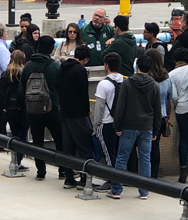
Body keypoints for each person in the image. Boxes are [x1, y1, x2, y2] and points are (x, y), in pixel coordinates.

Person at [107, 56, 162, 200]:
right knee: (145, 158)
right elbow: (157, 110)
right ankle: (144, 191)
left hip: (129, 125)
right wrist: (156, 129)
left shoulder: (128, 83)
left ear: (136, 66)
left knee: (122, 157)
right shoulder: (154, 85)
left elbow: (120, 107)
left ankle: (117, 190)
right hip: (147, 126)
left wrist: (117, 125)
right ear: (149, 68)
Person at [21, 36, 66, 181]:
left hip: (33, 109)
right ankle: (62, 170)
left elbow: (21, 89)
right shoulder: (55, 66)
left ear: (37, 47)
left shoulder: (27, 66)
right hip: (52, 108)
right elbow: (61, 88)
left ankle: (41, 171)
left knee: (37, 140)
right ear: (52, 49)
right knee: (60, 140)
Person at [57, 44, 93, 189]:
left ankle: (69, 178)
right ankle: (84, 179)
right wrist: (86, 109)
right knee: (84, 146)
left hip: (64, 111)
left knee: (68, 147)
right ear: (85, 59)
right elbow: (83, 93)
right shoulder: (80, 71)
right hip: (77, 113)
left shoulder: (62, 68)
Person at [92, 52, 123, 193]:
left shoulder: (103, 84)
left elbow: (99, 106)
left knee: (109, 154)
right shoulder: (124, 80)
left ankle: (112, 180)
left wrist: (96, 124)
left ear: (106, 65)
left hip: (106, 123)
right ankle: (119, 178)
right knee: (117, 152)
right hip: (121, 123)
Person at [168, 47, 188, 183]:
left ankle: (183, 171)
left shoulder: (172, 74)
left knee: (184, 140)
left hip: (182, 110)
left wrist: (176, 104)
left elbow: (173, 96)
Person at [1, 50, 29, 171]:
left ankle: (15, 159)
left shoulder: (5, 74)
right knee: (23, 136)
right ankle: (18, 160)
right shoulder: (24, 74)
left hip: (10, 108)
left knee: (14, 134)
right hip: (22, 108)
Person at [145, 48, 169, 178]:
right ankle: (155, 174)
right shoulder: (166, 77)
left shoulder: (148, 79)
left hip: (149, 115)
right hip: (162, 115)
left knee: (146, 147)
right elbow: (172, 97)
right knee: (156, 146)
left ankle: (145, 173)